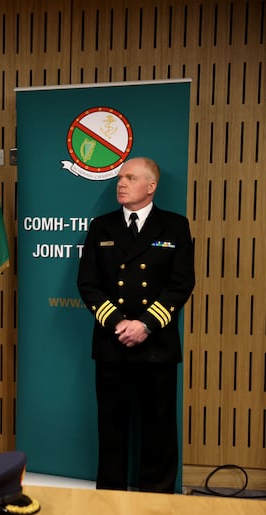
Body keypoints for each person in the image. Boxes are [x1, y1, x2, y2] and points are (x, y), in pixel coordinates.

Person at [77, 156, 195, 493]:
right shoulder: (102, 226)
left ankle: (157, 500)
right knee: (112, 428)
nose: (121, 183)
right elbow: (88, 284)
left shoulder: (174, 226)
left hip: (156, 345)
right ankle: (110, 500)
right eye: (119, 178)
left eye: (130, 177)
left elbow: (181, 283)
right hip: (112, 343)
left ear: (151, 186)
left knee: (158, 429)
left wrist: (144, 324)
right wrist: (118, 323)